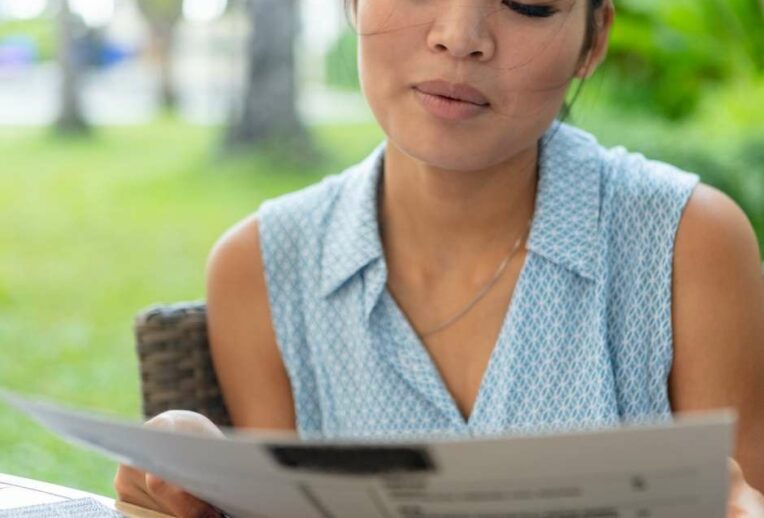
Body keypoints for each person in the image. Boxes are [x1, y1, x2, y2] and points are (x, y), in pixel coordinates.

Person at [114, 0, 764, 516]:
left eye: (529, 3)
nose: (460, 35)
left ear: (591, 44)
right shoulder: (260, 266)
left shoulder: (688, 244)